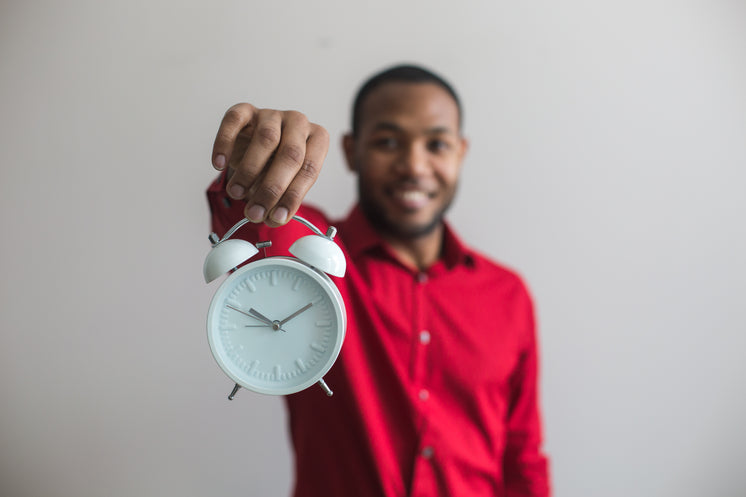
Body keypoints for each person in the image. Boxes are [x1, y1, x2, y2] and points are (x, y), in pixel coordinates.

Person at [206, 64, 550, 496]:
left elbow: (521, 456)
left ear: (460, 152)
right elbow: (255, 224)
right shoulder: (309, 262)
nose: (413, 165)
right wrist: (250, 167)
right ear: (352, 151)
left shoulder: (507, 295)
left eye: (437, 144)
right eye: (388, 141)